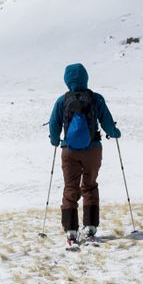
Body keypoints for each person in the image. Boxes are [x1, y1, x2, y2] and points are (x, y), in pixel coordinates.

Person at [48, 62, 121, 246]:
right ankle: (90, 227)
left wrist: (55, 140)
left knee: (70, 188)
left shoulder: (62, 100)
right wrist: (114, 133)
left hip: (69, 150)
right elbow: (107, 122)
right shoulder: (96, 98)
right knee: (89, 186)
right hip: (93, 149)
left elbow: (54, 124)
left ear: (67, 80)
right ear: (86, 78)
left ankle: (71, 230)